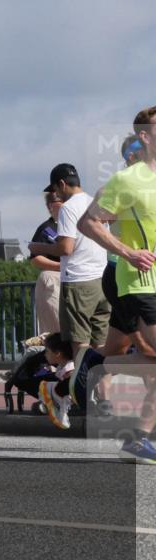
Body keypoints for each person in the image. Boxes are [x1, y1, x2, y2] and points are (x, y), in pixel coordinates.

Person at [77, 105, 156, 464]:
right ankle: (139, 438)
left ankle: (93, 368)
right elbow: (88, 223)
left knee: (141, 358)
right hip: (138, 281)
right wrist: (127, 252)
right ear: (144, 135)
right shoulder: (127, 180)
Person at [29, 164, 110, 359]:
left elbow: (66, 248)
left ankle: (83, 388)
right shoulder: (95, 204)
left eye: (56, 190)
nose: (56, 195)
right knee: (101, 344)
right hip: (102, 279)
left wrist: (37, 247)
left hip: (78, 281)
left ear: (62, 184)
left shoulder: (68, 209)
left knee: (80, 344)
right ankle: (103, 390)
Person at [29, 191, 64, 335]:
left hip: (78, 277)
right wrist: (60, 267)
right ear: (50, 207)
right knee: (57, 324)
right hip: (56, 278)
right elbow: (36, 258)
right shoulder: (46, 229)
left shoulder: (77, 225)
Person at [38, 333, 76, 430]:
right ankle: (53, 403)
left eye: (47, 351)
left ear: (57, 353)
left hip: (72, 397)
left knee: (62, 390)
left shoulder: (69, 369)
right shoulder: (62, 366)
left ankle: (58, 405)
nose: (45, 355)